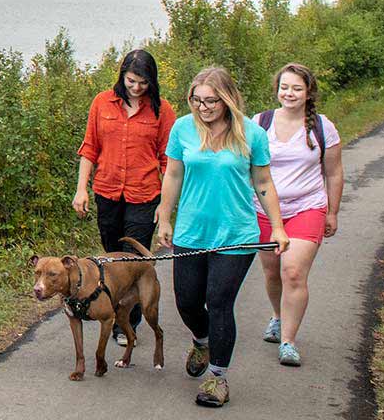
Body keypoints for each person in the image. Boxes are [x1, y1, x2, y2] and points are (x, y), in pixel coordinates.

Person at [155, 66, 290, 408]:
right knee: (186, 301)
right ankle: (202, 340)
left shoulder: (251, 134)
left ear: (227, 99)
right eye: (197, 101)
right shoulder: (183, 128)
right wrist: (164, 217)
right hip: (191, 231)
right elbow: (172, 175)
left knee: (218, 302)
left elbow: (263, 183)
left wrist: (277, 226)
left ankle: (217, 377)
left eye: (211, 101)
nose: (203, 108)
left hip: (236, 234)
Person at [72, 49, 175, 347]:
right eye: (131, 80)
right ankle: (113, 312)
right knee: (111, 258)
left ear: (151, 82)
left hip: (144, 194)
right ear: (122, 77)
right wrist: (82, 188)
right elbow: (89, 148)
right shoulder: (102, 102)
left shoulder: (162, 110)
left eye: (143, 82)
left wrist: (166, 207)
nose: (136, 87)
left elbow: (170, 161)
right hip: (107, 191)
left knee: (134, 261)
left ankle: (127, 323)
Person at [251, 64, 343, 367]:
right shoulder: (260, 123)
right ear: (277, 89)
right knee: (273, 272)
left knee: (293, 272)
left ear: (308, 93)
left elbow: (333, 171)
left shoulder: (322, 127)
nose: (289, 93)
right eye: (285, 87)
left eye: (297, 88)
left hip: (308, 207)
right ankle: (277, 316)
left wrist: (332, 211)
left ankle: (288, 341)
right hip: (265, 210)